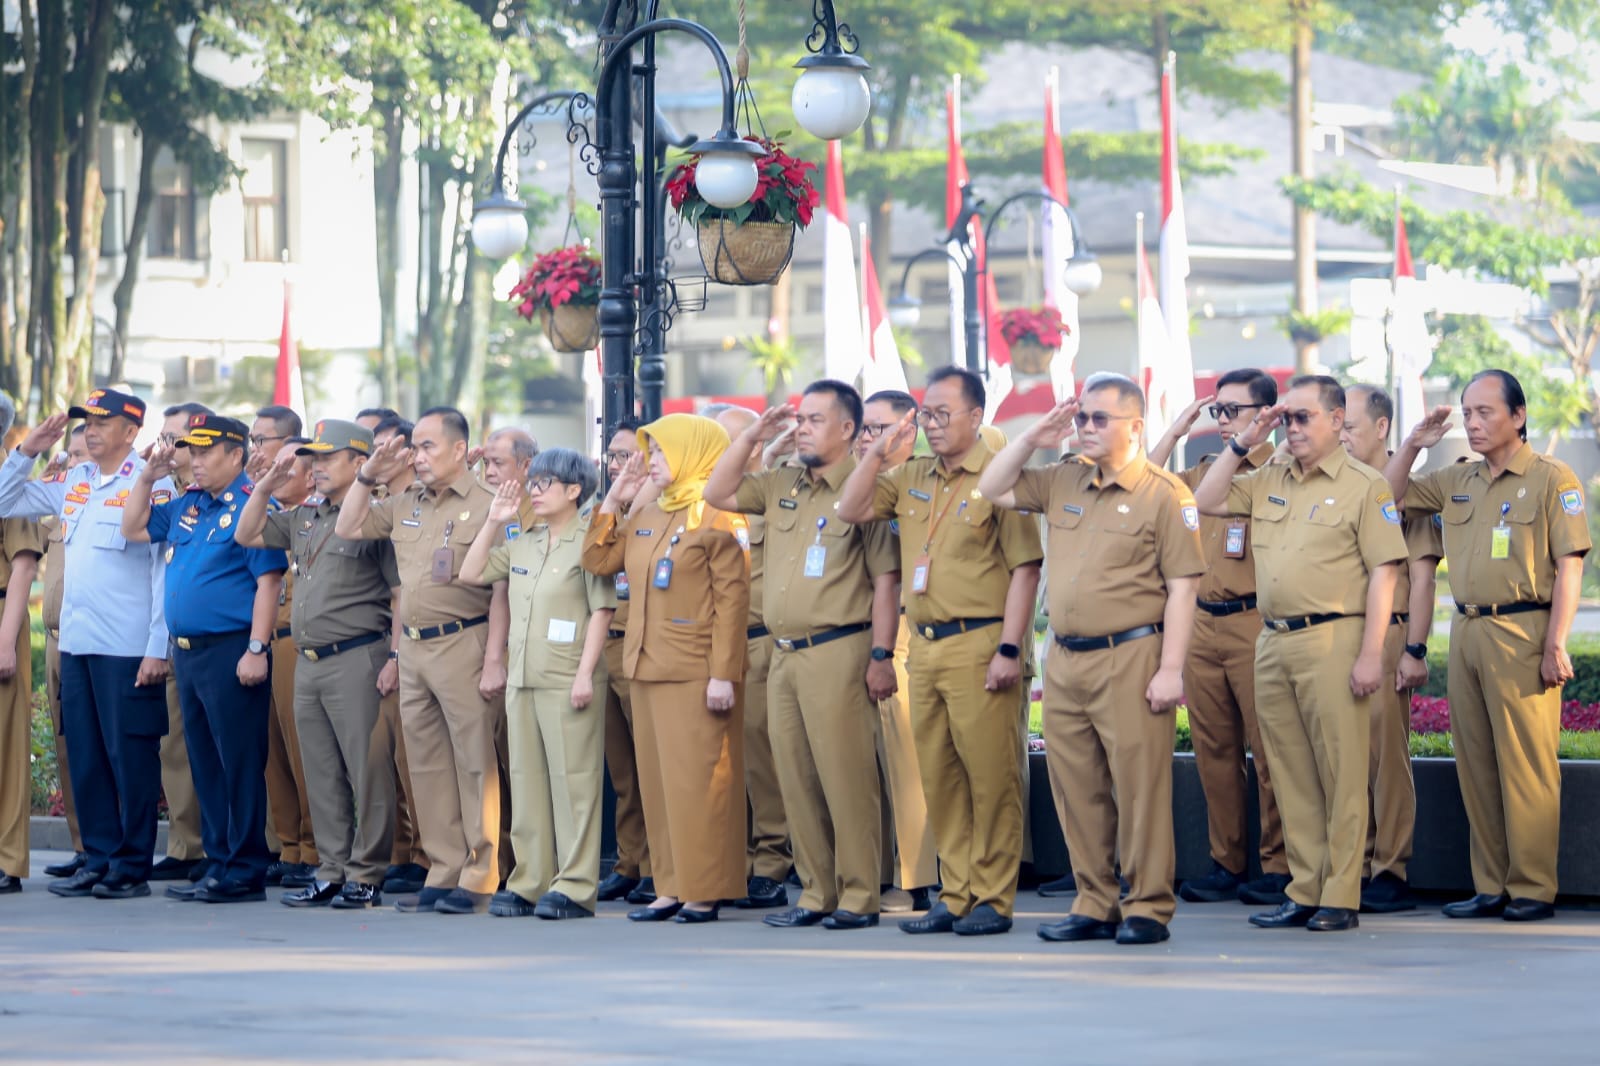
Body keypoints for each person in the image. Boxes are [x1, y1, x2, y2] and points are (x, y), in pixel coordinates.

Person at [982, 379, 1204, 945]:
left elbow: (1183, 588)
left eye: (1100, 419)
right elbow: (993, 486)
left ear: (1135, 427)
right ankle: (1094, 901)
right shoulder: (1064, 478)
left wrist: (1171, 669)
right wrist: (1033, 434)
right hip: (1067, 657)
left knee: (1139, 789)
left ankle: (1148, 905)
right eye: (1082, 417)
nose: (1086, 427)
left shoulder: (1164, 493)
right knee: (1075, 786)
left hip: (1131, 653)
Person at [1194, 375, 1406, 933]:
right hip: (1273, 640)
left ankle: (1341, 894)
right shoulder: (1269, 477)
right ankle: (1304, 889)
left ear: (1338, 420)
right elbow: (1204, 499)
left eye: (1303, 417)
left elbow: (1386, 573)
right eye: (1287, 418)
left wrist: (1370, 654)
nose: (1292, 427)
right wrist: (1242, 442)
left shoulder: (1365, 485)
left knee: (1341, 772)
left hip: (1334, 638)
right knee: (1290, 773)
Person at [839, 366, 1044, 936]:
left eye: (941, 413)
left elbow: (1026, 571)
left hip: (980, 643)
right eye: (924, 414)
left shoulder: (999, 478)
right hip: (924, 646)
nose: (930, 424)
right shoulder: (911, 476)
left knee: (991, 778)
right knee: (941, 780)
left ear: (976, 417)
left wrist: (1010, 648)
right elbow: (850, 509)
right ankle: (954, 894)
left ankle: (992, 899)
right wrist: (877, 453)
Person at [1385, 370, 1590, 922]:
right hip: (1468, 629)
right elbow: (1387, 495)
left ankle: (1531, 887)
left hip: (1524, 630)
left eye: (1485, 412)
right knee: (1475, 765)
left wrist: (1556, 644)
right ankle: (1491, 884)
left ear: (1518, 416)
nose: (1473, 423)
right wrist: (1412, 444)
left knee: (1526, 767)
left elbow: (1570, 566)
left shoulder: (1552, 478)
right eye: (1468, 413)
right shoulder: (1458, 480)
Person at [707, 381, 899, 930]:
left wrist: (881, 655)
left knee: (845, 777)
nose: (804, 427)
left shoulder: (867, 491)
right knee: (795, 778)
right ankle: (816, 892)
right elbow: (718, 493)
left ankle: (859, 894)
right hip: (785, 653)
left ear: (848, 430)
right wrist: (750, 439)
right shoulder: (781, 482)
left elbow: (886, 583)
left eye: (816, 419)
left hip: (839, 648)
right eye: (802, 418)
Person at [0, 392, 172, 900]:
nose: (91, 431)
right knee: (88, 757)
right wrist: (26, 451)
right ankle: (97, 857)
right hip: (78, 643)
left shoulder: (151, 483)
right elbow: (4, 501)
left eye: (103, 422)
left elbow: (163, 570)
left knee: (131, 757)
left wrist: (156, 645)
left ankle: (131, 866)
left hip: (127, 644)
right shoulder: (77, 481)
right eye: (87, 422)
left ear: (131, 430)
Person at [582, 414, 751, 923]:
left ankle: (705, 887)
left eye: (658, 452)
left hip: (697, 669)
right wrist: (615, 499)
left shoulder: (719, 514)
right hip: (645, 662)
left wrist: (724, 673)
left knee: (700, 784)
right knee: (658, 784)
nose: (649, 462)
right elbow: (598, 560)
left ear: (693, 453)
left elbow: (733, 603)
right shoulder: (650, 509)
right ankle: (671, 884)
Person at [335, 406, 504, 915]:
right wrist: (368, 472)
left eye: (428, 446)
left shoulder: (491, 503)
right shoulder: (406, 501)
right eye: (415, 447)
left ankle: (481, 872)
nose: (418, 456)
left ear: (459, 449)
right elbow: (349, 526)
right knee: (427, 764)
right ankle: (445, 865)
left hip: (464, 642)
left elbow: (502, 591)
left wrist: (494, 658)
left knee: (475, 763)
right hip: (413, 648)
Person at [235, 419, 401, 910]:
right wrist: (264, 483)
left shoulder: (375, 516)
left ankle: (367, 872)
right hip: (309, 661)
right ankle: (331, 869)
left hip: (357, 656)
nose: (317, 467)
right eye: (316, 458)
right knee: (321, 772)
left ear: (359, 461)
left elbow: (398, 593)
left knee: (366, 771)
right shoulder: (306, 515)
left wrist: (394, 657)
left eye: (329, 458)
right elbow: (247, 534)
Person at [124, 415, 289, 904]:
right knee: (205, 763)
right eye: (190, 451)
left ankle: (244, 868)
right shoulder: (186, 505)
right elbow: (133, 527)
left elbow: (269, 582)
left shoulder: (252, 506)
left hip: (232, 650)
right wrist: (147, 477)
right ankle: (219, 862)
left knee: (237, 761)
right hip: (189, 655)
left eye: (206, 452)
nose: (193, 461)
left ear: (236, 455)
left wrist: (256, 649)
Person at [1149, 370, 1291, 906]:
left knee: (1271, 751)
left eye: (1233, 410)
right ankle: (1226, 861)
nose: (1223, 420)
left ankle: (1278, 864)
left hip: (1256, 620)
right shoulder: (1210, 470)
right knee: (1214, 751)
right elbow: (1146, 480)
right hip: (1203, 623)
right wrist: (1175, 430)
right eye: (1218, 411)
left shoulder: (1280, 470)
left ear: (1266, 413)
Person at [462, 448, 615, 919]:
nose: (536, 490)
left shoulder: (590, 540)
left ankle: (574, 886)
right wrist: (493, 521)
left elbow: (601, 611)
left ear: (574, 491)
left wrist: (586, 674)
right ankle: (530, 880)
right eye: (535, 482)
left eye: (547, 482)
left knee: (575, 784)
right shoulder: (525, 541)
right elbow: (470, 573)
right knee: (527, 783)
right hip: (524, 677)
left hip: (569, 675)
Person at [1340, 384, 1443, 913]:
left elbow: (1422, 581)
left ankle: (1390, 868)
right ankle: (1351, 866)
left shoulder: (1413, 494)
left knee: (1386, 761)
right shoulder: (1333, 485)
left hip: (1387, 639)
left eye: (1350, 427)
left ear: (1382, 428)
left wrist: (1414, 650)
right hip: (1338, 636)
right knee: (1345, 759)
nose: (1341, 437)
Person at [705, 402, 790, 912]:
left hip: (759, 641)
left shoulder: (774, 497)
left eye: (727, 442)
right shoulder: (704, 501)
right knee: (721, 765)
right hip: (713, 646)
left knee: (761, 759)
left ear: (753, 446)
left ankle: (772, 861)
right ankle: (730, 860)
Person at [857, 389, 937, 912]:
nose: (866, 438)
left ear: (909, 430)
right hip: (868, 633)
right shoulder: (869, 482)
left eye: (877, 427)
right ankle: (891, 872)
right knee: (881, 765)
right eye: (863, 428)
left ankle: (917, 883)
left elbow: (891, 579)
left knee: (910, 765)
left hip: (907, 632)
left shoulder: (922, 481)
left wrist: (883, 652)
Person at [248, 405, 319, 888]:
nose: (278, 472)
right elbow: (246, 533)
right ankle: (289, 845)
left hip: (302, 641)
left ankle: (314, 846)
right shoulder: (275, 516)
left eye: (288, 467)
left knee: (304, 751)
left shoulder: (318, 517)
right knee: (274, 752)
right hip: (271, 641)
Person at [594, 419, 658, 907]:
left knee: (655, 765)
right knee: (623, 770)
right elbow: (596, 561)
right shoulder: (608, 508)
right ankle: (630, 861)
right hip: (608, 645)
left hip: (651, 647)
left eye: (629, 456)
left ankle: (662, 864)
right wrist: (615, 497)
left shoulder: (667, 507)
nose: (619, 465)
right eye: (613, 457)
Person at [146, 402, 211, 882]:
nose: (167, 447)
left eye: (177, 439)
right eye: (164, 437)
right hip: (164, 634)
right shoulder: (159, 490)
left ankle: (220, 847)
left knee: (212, 748)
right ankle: (186, 844)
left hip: (209, 639)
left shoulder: (214, 496)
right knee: (174, 746)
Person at [367, 415, 429, 897]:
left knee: (417, 759)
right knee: (390, 760)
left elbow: (399, 594)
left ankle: (426, 856)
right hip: (397, 645)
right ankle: (404, 852)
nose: (377, 456)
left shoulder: (418, 505)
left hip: (411, 645)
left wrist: (394, 656)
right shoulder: (384, 506)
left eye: (386, 448)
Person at [39, 424, 92, 880]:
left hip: (91, 639)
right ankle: (81, 844)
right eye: (69, 454)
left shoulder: (101, 502)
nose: (73, 462)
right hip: (55, 640)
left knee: (96, 746)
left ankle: (103, 846)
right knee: (65, 748)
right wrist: (48, 468)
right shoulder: (59, 505)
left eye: (80, 453)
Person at [0, 395, 45, 894]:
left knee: (6, 747)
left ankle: (7, 858)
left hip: (1, 615)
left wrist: (7, 641)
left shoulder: (10, 485)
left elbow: (23, 565)